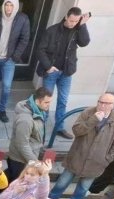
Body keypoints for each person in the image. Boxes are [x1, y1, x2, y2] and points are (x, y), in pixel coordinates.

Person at [50, 94, 114, 199]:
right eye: (100, 102)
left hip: (97, 162)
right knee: (62, 182)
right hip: (77, 156)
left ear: (113, 105)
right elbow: (77, 131)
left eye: (107, 103)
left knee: (84, 187)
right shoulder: (88, 113)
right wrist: (93, 120)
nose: (103, 105)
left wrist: (108, 158)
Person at [37, 8, 91, 139]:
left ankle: (59, 128)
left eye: (76, 21)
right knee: (45, 100)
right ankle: (39, 128)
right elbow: (40, 49)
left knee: (63, 101)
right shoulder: (52, 30)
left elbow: (84, 42)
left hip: (66, 72)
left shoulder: (78, 30)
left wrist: (83, 25)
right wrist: (48, 66)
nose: (73, 23)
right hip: (52, 71)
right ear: (66, 16)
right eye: (71, 20)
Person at [0, 0, 31, 122]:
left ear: (16, 6)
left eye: (11, 5)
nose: (8, 7)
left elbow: (25, 39)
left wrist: (14, 56)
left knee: (7, 86)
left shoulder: (22, 19)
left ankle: (2, 110)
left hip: (9, 59)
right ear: (3, 6)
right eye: (6, 5)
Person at [7, 88, 53, 181]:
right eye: (46, 102)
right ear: (37, 101)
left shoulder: (37, 110)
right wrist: (36, 163)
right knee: (16, 185)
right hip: (20, 160)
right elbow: (22, 145)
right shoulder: (25, 120)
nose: (49, 105)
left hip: (28, 157)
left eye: (50, 102)